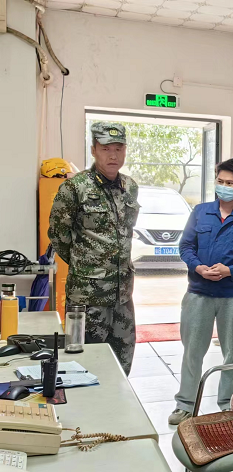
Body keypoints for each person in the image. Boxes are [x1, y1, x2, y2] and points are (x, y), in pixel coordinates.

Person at [169, 158, 233, 425]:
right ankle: (185, 404)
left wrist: (229, 270)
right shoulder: (200, 212)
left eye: (230, 183)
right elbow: (186, 247)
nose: (224, 186)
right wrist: (198, 267)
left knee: (232, 355)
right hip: (199, 292)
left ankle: (227, 405)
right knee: (192, 351)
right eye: (220, 181)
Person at [49, 122, 139, 375]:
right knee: (85, 364)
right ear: (93, 150)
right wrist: (86, 264)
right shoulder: (74, 188)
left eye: (119, 149)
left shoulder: (130, 187)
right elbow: (58, 235)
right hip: (88, 297)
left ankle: (118, 401)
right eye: (106, 148)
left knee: (122, 362)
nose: (113, 155)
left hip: (122, 295)